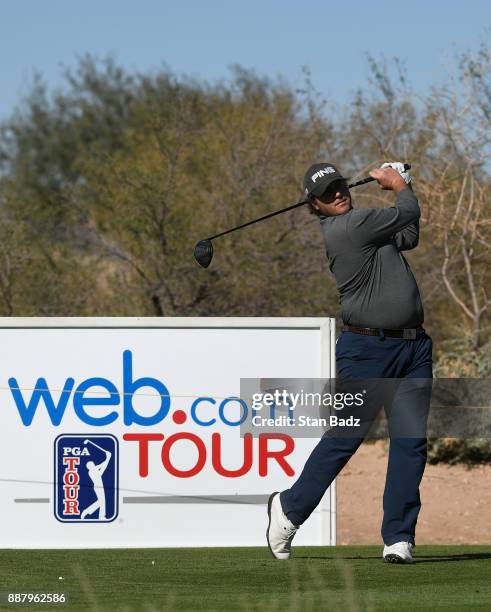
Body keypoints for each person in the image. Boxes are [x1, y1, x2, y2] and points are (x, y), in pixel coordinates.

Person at [266, 162, 433, 563]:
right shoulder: (346, 228)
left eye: (340, 186)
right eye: (328, 194)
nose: (338, 194)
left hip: (413, 349)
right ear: (316, 206)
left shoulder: (366, 225)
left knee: (410, 444)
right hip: (367, 351)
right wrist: (398, 184)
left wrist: (397, 192)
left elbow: (407, 235)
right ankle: (288, 510)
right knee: (345, 439)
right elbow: (408, 214)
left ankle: (398, 538)